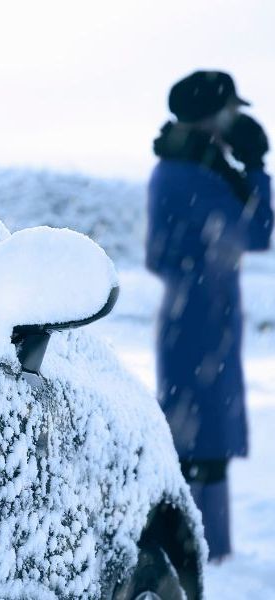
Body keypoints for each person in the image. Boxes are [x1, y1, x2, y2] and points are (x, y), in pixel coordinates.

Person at [145, 70, 274, 561]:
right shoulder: (189, 171)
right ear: (211, 115)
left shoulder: (202, 165)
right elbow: (258, 230)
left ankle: (202, 548)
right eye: (230, 110)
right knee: (198, 445)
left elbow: (251, 231)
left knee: (202, 442)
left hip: (203, 318)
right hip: (198, 321)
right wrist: (257, 166)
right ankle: (200, 552)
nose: (237, 118)